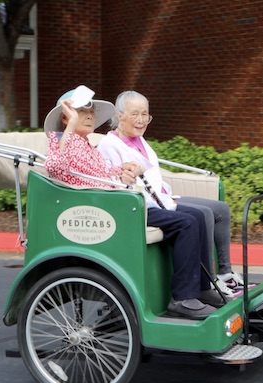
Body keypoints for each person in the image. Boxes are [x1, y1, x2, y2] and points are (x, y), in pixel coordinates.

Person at [43, 85, 223, 320]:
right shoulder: (61, 141)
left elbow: (100, 174)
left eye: (90, 111)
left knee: (197, 217)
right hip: (111, 207)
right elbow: (55, 166)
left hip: (118, 200)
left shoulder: (87, 144)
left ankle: (200, 288)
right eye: (80, 112)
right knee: (186, 223)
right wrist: (70, 126)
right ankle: (182, 298)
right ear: (66, 116)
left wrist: (121, 171)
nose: (88, 116)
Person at [97, 90, 251, 297]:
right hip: (139, 204)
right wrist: (125, 178)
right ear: (119, 115)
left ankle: (218, 278)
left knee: (213, 211)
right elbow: (109, 179)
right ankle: (202, 286)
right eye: (135, 114)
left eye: (145, 114)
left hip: (161, 198)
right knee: (198, 216)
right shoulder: (109, 144)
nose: (141, 120)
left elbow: (153, 175)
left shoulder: (140, 141)